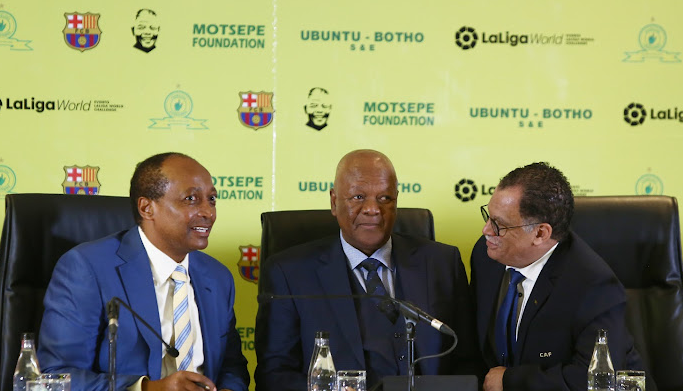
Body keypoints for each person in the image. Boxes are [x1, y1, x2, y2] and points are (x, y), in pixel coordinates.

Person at [255, 149, 480, 391]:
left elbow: (468, 361)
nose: (373, 209)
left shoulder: (442, 263)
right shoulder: (289, 272)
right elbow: (274, 375)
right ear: (334, 202)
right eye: (358, 197)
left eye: (385, 198)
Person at [38, 152, 250, 391]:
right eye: (191, 199)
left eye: (212, 199)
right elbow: (56, 377)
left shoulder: (217, 277)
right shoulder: (86, 267)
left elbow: (231, 366)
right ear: (147, 208)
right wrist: (148, 389)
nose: (208, 213)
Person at [470, 162, 646, 391]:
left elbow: (595, 381)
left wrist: (510, 381)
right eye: (488, 216)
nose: (486, 231)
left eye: (499, 225)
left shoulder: (594, 286)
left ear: (540, 233)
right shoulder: (486, 256)